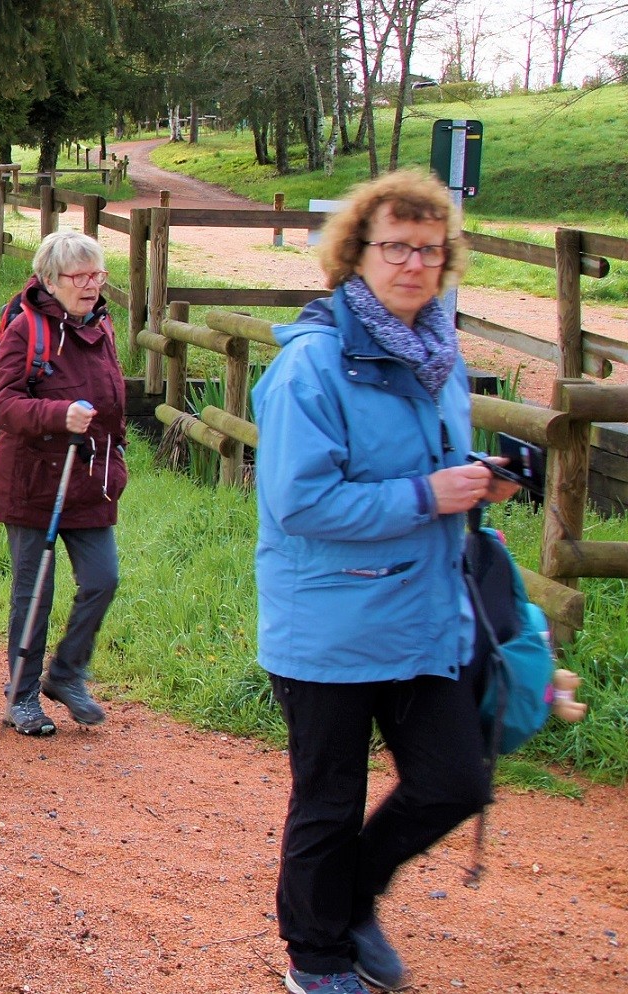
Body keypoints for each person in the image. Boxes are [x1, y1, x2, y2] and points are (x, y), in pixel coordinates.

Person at [252, 171, 515, 994]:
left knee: (455, 781)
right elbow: (299, 501)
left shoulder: (439, 354)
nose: (413, 263)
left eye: (429, 249)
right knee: (327, 803)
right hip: (328, 623)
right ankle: (316, 961)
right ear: (357, 253)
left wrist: (475, 478)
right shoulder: (314, 366)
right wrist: (425, 496)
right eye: (395, 246)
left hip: (422, 613)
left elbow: (428, 468)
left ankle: (352, 899)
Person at [0, 230, 128, 737]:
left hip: (89, 480)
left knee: (102, 579)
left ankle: (65, 675)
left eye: (98, 274)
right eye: (80, 276)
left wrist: (115, 461)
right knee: (34, 595)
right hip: (34, 484)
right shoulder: (28, 330)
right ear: (51, 280)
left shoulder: (103, 324)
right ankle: (21, 697)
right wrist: (56, 414)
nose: (92, 285)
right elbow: (0, 406)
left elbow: (111, 403)